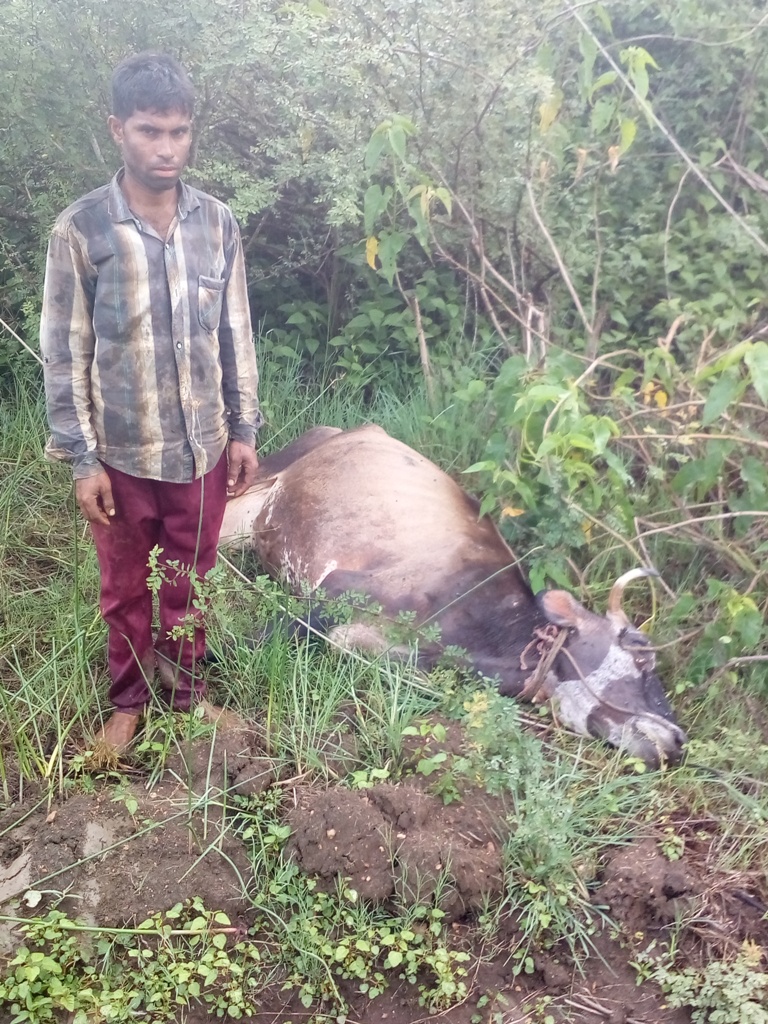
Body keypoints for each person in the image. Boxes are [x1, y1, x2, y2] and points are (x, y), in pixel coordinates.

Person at [40, 53, 262, 756]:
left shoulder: (217, 223)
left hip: (202, 445)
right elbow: (64, 348)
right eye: (148, 131)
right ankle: (128, 703)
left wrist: (244, 428)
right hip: (121, 453)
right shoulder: (82, 231)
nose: (165, 148)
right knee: (126, 586)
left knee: (193, 578)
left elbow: (235, 332)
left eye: (178, 131)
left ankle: (191, 692)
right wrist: (81, 459)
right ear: (117, 129)